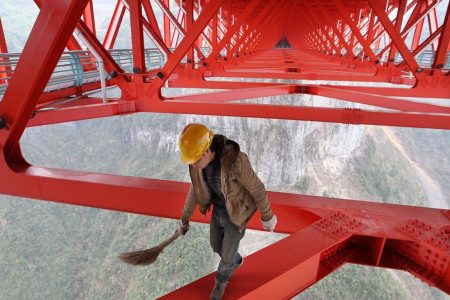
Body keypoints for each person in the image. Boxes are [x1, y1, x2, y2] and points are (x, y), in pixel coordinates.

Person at [177, 123, 278, 300]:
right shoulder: (197, 167)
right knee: (216, 245)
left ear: (207, 151)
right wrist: (184, 218)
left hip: (236, 215)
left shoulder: (235, 162)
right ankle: (235, 260)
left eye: (196, 159)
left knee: (226, 257)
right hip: (218, 210)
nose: (193, 164)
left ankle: (221, 282)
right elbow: (195, 191)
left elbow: (257, 189)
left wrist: (267, 216)